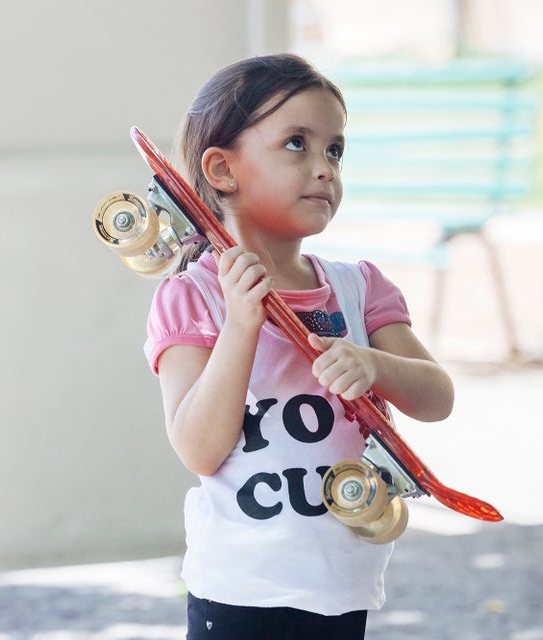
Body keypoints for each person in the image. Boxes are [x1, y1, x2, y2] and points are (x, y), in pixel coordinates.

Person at [142, 53, 455, 640]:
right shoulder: (193, 298)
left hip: (340, 586)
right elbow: (198, 449)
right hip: (239, 589)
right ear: (222, 168)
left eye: (335, 150)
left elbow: (436, 397)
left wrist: (374, 364)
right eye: (296, 144)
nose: (323, 168)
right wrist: (241, 324)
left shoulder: (358, 288)